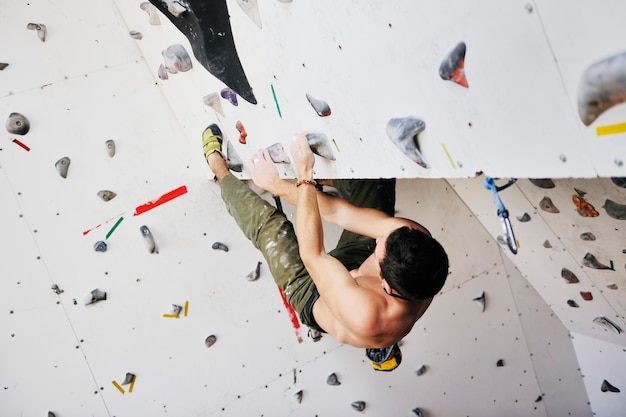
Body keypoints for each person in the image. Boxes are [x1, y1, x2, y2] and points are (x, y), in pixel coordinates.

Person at [203, 124, 449, 371]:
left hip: (314, 293)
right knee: (374, 183)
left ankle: (219, 169)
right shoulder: (417, 245)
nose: (378, 238)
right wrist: (284, 185)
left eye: (380, 247)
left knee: (271, 228)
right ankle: (331, 177)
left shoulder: (365, 316)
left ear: (385, 284)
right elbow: (340, 213)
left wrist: (300, 175)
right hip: (356, 268)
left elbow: (313, 255)